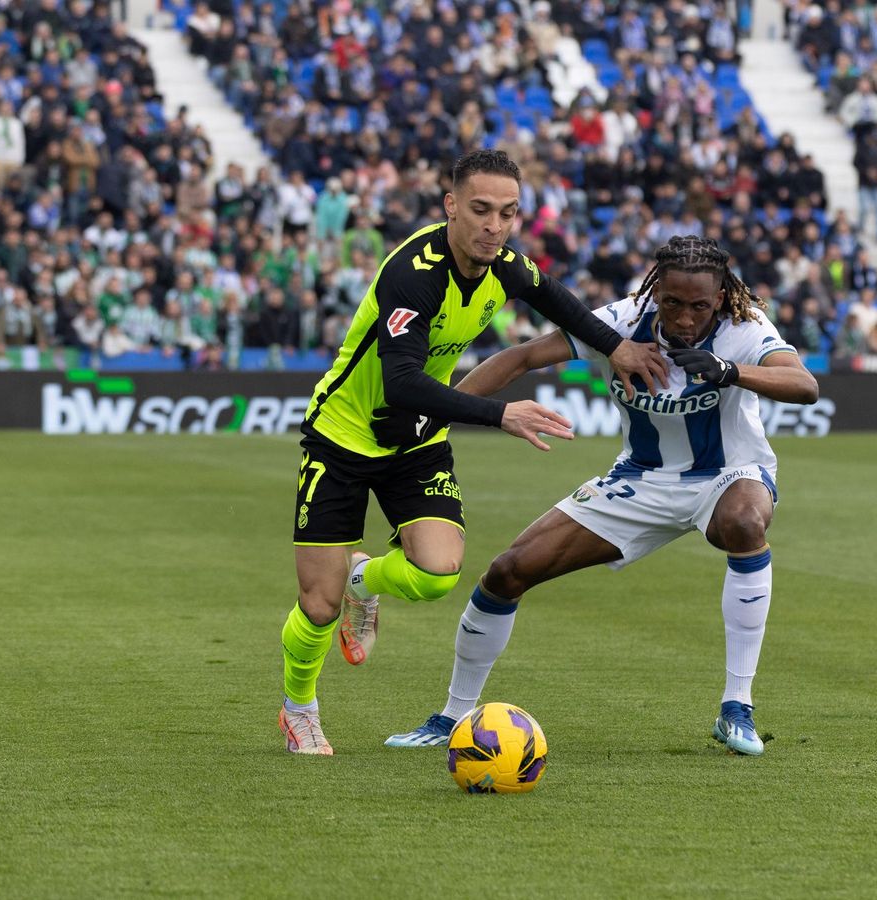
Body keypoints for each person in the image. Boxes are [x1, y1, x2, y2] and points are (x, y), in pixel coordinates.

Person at [277, 150, 668, 755]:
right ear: (451, 205)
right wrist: (499, 413)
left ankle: (364, 578)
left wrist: (616, 348)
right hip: (344, 437)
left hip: (415, 439)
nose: (494, 226)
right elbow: (403, 380)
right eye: (481, 210)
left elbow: (562, 304)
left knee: (435, 574)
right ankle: (299, 708)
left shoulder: (504, 266)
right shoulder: (413, 274)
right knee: (318, 605)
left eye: (508, 214)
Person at [380, 235, 820, 757]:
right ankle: (452, 716)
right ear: (656, 293)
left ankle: (736, 708)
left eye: (698, 306)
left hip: (728, 474)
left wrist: (730, 372)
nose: (683, 318)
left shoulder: (746, 330)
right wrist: (436, 417)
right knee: (507, 571)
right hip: (640, 480)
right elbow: (522, 357)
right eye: (672, 303)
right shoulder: (622, 321)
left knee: (745, 524)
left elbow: (804, 384)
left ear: (721, 298)